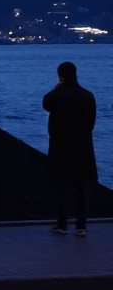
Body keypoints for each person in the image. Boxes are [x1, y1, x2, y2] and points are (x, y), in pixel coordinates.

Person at [44, 61, 98, 237]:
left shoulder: (57, 95)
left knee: (62, 187)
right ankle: (81, 226)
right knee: (82, 188)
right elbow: (91, 123)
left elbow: (46, 104)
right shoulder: (88, 96)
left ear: (61, 75)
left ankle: (62, 225)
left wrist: (57, 88)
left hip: (61, 146)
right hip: (83, 147)